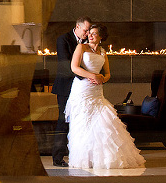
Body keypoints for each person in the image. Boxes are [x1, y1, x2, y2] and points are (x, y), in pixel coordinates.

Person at [65, 24, 145, 169]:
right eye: (90, 33)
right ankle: (84, 159)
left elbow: (108, 73)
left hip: (97, 91)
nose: (90, 35)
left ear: (101, 37)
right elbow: (74, 67)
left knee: (104, 120)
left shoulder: (103, 52)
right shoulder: (81, 48)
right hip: (82, 89)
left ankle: (106, 158)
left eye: (94, 33)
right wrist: (93, 76)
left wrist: (103, 78)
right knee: (83, 122)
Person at [51, 16, 92, 167]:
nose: (87, 33)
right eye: (85, 30)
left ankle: (81, 156)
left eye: (89, 30)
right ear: (77, 27)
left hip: (83, 88)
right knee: (63, 120)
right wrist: (87, 77)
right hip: (65, 87)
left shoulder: (89, 42)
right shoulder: (63, 39)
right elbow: (65, 64)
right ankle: (58, 157)